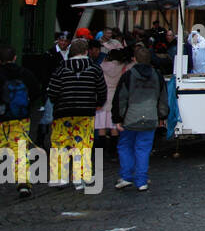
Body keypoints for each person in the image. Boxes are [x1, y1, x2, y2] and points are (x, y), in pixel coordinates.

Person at [46, 38, 106, 190]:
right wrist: (98, 103)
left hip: (63, 111)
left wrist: (56, 101)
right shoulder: (94, 68)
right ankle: (81, 177)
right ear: (86, 51)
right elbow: (101, 90)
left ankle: (60, 177)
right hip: (85, 111)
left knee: (60, 143)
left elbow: (52, 91)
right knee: (84, 143)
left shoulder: (61, 68)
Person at [111, 44, 168, 191]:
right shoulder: (157, 75)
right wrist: (162, 116)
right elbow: (162, 98)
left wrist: (118, 118)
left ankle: (126, 176)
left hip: (131, 117)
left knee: (125, 146)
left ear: (134, 59)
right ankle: (141, 180)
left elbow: (120, 99)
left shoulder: (128, 76)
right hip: (150, 117)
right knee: (143, 149)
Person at [0, 45, 41, 198]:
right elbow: (37, 91)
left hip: (1, 120)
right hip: (20, 119)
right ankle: (23, 183)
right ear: (15, 57)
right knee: (20, 150)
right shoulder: (24, 73)